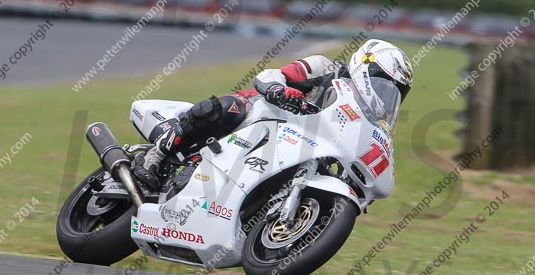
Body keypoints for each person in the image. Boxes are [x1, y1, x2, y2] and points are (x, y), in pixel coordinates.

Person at [133, 39, 413, 189]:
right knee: (222, 109)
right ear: (366, 68)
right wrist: (281, 90)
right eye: (384, 84)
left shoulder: (361, 115)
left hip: (296, 145)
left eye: (394, 92)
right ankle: (155, 155)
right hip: (260, 114)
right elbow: (270, 75)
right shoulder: (323, 67)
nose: (386, 94)